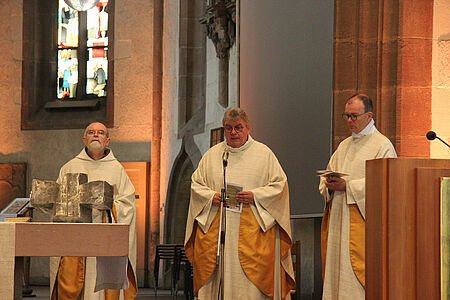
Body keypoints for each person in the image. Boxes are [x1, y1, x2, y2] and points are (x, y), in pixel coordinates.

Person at [185, 107, 295, 300]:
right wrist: (211, 197)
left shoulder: (263, 154)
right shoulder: (213, 156)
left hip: (253, 235)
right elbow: (196, 185)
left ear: (248, 128)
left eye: (238, 127)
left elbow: (280, 187)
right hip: (219, 235)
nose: (233, 132)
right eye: (228, 128)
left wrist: (256, 196)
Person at [319, 94, 397, 300]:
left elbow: (387, 183)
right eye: (346, 116)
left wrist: (349, 187)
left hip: (360, 225)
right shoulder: (344, 145)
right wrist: (328, 185)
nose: (349, 120)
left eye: (354, 116)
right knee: (337, 277)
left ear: (369, 115)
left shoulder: (382, 145)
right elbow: (329, 173)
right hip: (338, 220)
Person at [50, 122, 138, 300]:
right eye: (91, 132)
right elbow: (58, 201)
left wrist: (109, 207)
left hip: (105, 238)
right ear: (84, 139)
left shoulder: (117, 170)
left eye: (100, 132)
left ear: (108, 140)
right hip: (76, 238)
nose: (96, 135)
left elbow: (128, 204)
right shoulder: (69, 167)